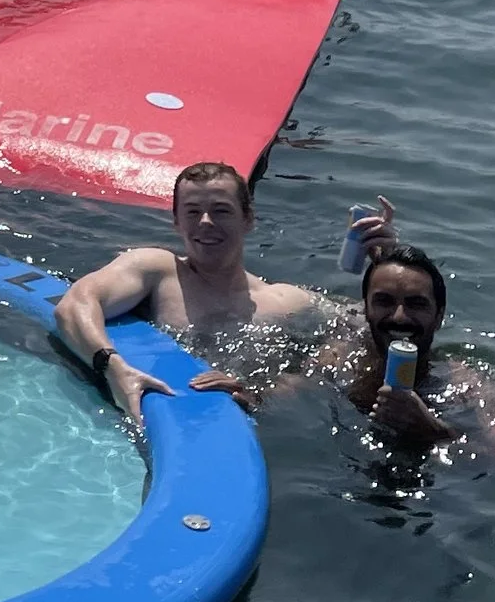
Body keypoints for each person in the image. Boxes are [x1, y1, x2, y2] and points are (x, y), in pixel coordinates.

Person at [52, 160, 327, 429]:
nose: (206, 222)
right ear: (176, 222)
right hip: (162, 414)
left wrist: (262, 393)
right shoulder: (158, 270)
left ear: (248, 220)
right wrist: (112, 367)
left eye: (221, 211)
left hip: (240, 425)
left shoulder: (287, 301)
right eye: (193, 212)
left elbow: (346, 342)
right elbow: (75, 304)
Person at [306, 232, 495, 474]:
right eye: (384, 301)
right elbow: (278, 395)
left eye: (416, 304)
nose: (399, 316)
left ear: (439, 317)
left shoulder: (466, 386)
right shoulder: (336, 362)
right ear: (366, 310)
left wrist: (436, 432)